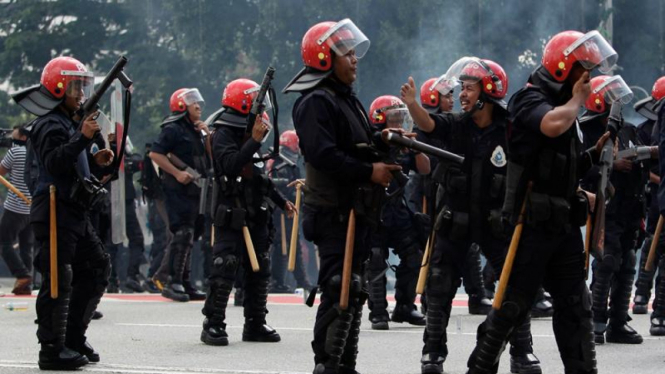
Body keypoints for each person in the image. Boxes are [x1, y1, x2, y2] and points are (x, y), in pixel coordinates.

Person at [465, 30, 618, 374]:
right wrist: (577, 101)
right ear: (563, 67)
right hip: (529, 223)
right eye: (583, 68)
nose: (588, 77)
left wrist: (596, 154)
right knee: (512, 307)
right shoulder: (529, 99)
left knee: (576, 306)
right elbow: (549, 126)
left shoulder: (565, 109)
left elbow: (565, 167)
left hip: (561, 225)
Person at [402, 57, 540, 374]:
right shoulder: (456, 125)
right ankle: (432, 353)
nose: (461, 94)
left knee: (516, 285)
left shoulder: (511, 129)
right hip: (456, 221)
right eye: (461, 88)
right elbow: (429, 124)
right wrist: (412, 105)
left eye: (468, 88)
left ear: (488, 90)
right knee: (438, 283)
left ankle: (522, 352)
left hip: (497, 223)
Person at [284, 18, 399, 374]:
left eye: (353, 51)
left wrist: (381, 141)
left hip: (356, 210)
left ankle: (345, 364)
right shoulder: (315, 101)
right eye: (346, 52)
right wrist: (369, 172)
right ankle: (328, 364)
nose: (355, 58)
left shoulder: (344, 98)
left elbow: (355, 144)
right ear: (324, 58)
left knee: (355, 289)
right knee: (338, 287)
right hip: (334, 212)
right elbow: (323, 154)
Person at [13, 56, 115, 370]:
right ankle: (52, 349)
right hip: (54, 208)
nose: (82, 93)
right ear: (59, 88)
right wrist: (82, 137)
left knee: (97, 268)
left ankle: (72, 337)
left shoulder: (72, 122)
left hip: (75, 210)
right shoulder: (48, 123)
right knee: (58, 278)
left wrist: (96, 160)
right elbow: (55, 163)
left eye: (84, 85)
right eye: (76, 86)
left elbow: (75, 162)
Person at [200, 78, 294, 346]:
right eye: (254, 100)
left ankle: (255, 322)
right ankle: (213, 324)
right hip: (232, 210)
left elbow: (259, 176)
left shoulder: (250, 133)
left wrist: (280, 200)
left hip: (256, 211)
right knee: (225, 265)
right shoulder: (223, 133)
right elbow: (230, 165)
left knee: (260, 266)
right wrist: (252, 141)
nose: (259, 105)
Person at [580, 75, 650, 345]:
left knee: (628, 263)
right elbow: (581, 166)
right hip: (607, 208)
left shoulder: (629, 130)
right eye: (610, 96)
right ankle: (596, 322)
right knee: (607, 261)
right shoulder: (587, 130)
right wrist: (609, 166)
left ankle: (618, 323)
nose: (616, 101)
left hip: (630, 208)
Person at [365, 95, 429, 330]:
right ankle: (378, 311)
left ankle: (404, 305)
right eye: (394, 117)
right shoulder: (370, 142)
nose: (399, 121)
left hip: (398, 210)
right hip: (374, 209)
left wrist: (416, 146)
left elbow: (425, 168)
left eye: (401, 117)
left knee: (414, 254)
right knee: (376, 258)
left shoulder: (403, 142)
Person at [149, 88, 209, 302]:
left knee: (192, 235)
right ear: (182, 105)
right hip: (177, 190)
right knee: (182, 233)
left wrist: (208, 135)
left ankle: (184, 281)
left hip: (195, 190)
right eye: (193, 102)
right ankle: (171, 282)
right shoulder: (172, 128)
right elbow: (155, 153)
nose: (198, 106)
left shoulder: (197, 130)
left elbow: (208, 159)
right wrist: (177, 172)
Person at [633, 76, 665, 316]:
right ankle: (641, 293)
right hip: (655, 194)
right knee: (651, 242)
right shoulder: (644, 130)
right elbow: (641, 167)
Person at [268, 130, 314, 293]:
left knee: (290, 244)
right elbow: (276, 184)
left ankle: (295, 281)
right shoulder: (280, 162)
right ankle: (279, 281)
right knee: (283, 245)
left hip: (288, 208)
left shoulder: (286, 161)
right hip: (280, 210)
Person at [0, 125, 35, 295]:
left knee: (4, 242)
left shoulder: (15, 152)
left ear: (22, 137)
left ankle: (22, 275)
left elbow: (1, 171)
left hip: (15, 207)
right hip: (31, 207)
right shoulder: (35, 153)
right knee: (26, 246)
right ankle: (25, 285)